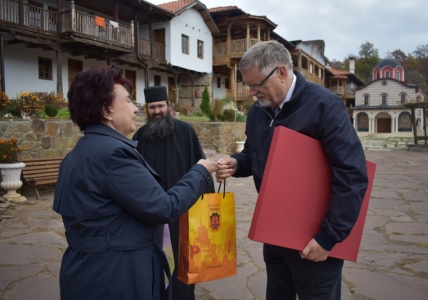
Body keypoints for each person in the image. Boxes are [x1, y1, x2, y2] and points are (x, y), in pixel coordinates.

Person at [215, 40, 369, 299]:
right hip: (275, 235)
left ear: (282, 73)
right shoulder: (258, 111)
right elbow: (254, 155)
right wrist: (237, 163)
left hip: (315, 240)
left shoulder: (324, 106)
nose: (252, 92)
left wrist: (329, 237)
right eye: (248, 85)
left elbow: (352, 175)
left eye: (256, 84)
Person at [53, 66, 218, 300]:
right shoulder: (113, 154)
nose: (135, 108)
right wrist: (201, 170)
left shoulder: (78, 153)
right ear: (106, 109)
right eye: (129, 101)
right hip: (116, 276)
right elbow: (163, 207)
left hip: (88, 271)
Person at [133, 86, 214, 300]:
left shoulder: (186, 131)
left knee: (185, 265)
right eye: (152, 107)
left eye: (161, 106)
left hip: (185, 213)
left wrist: (208, 206)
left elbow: (201, 166)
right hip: (153, 215)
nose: (157, 111)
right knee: (157, 265)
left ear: (169, 107)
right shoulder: (140, 136)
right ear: (147, 109)